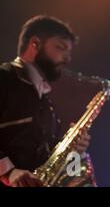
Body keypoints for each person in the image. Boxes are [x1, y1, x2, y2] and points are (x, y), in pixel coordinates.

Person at [0, 15, 92, 187]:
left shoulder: (46, 104)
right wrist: (9, 171)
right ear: (35, 43)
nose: (67, 59)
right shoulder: (4, 78)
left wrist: (72, 151)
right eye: (61, 47)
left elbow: (55, 167)